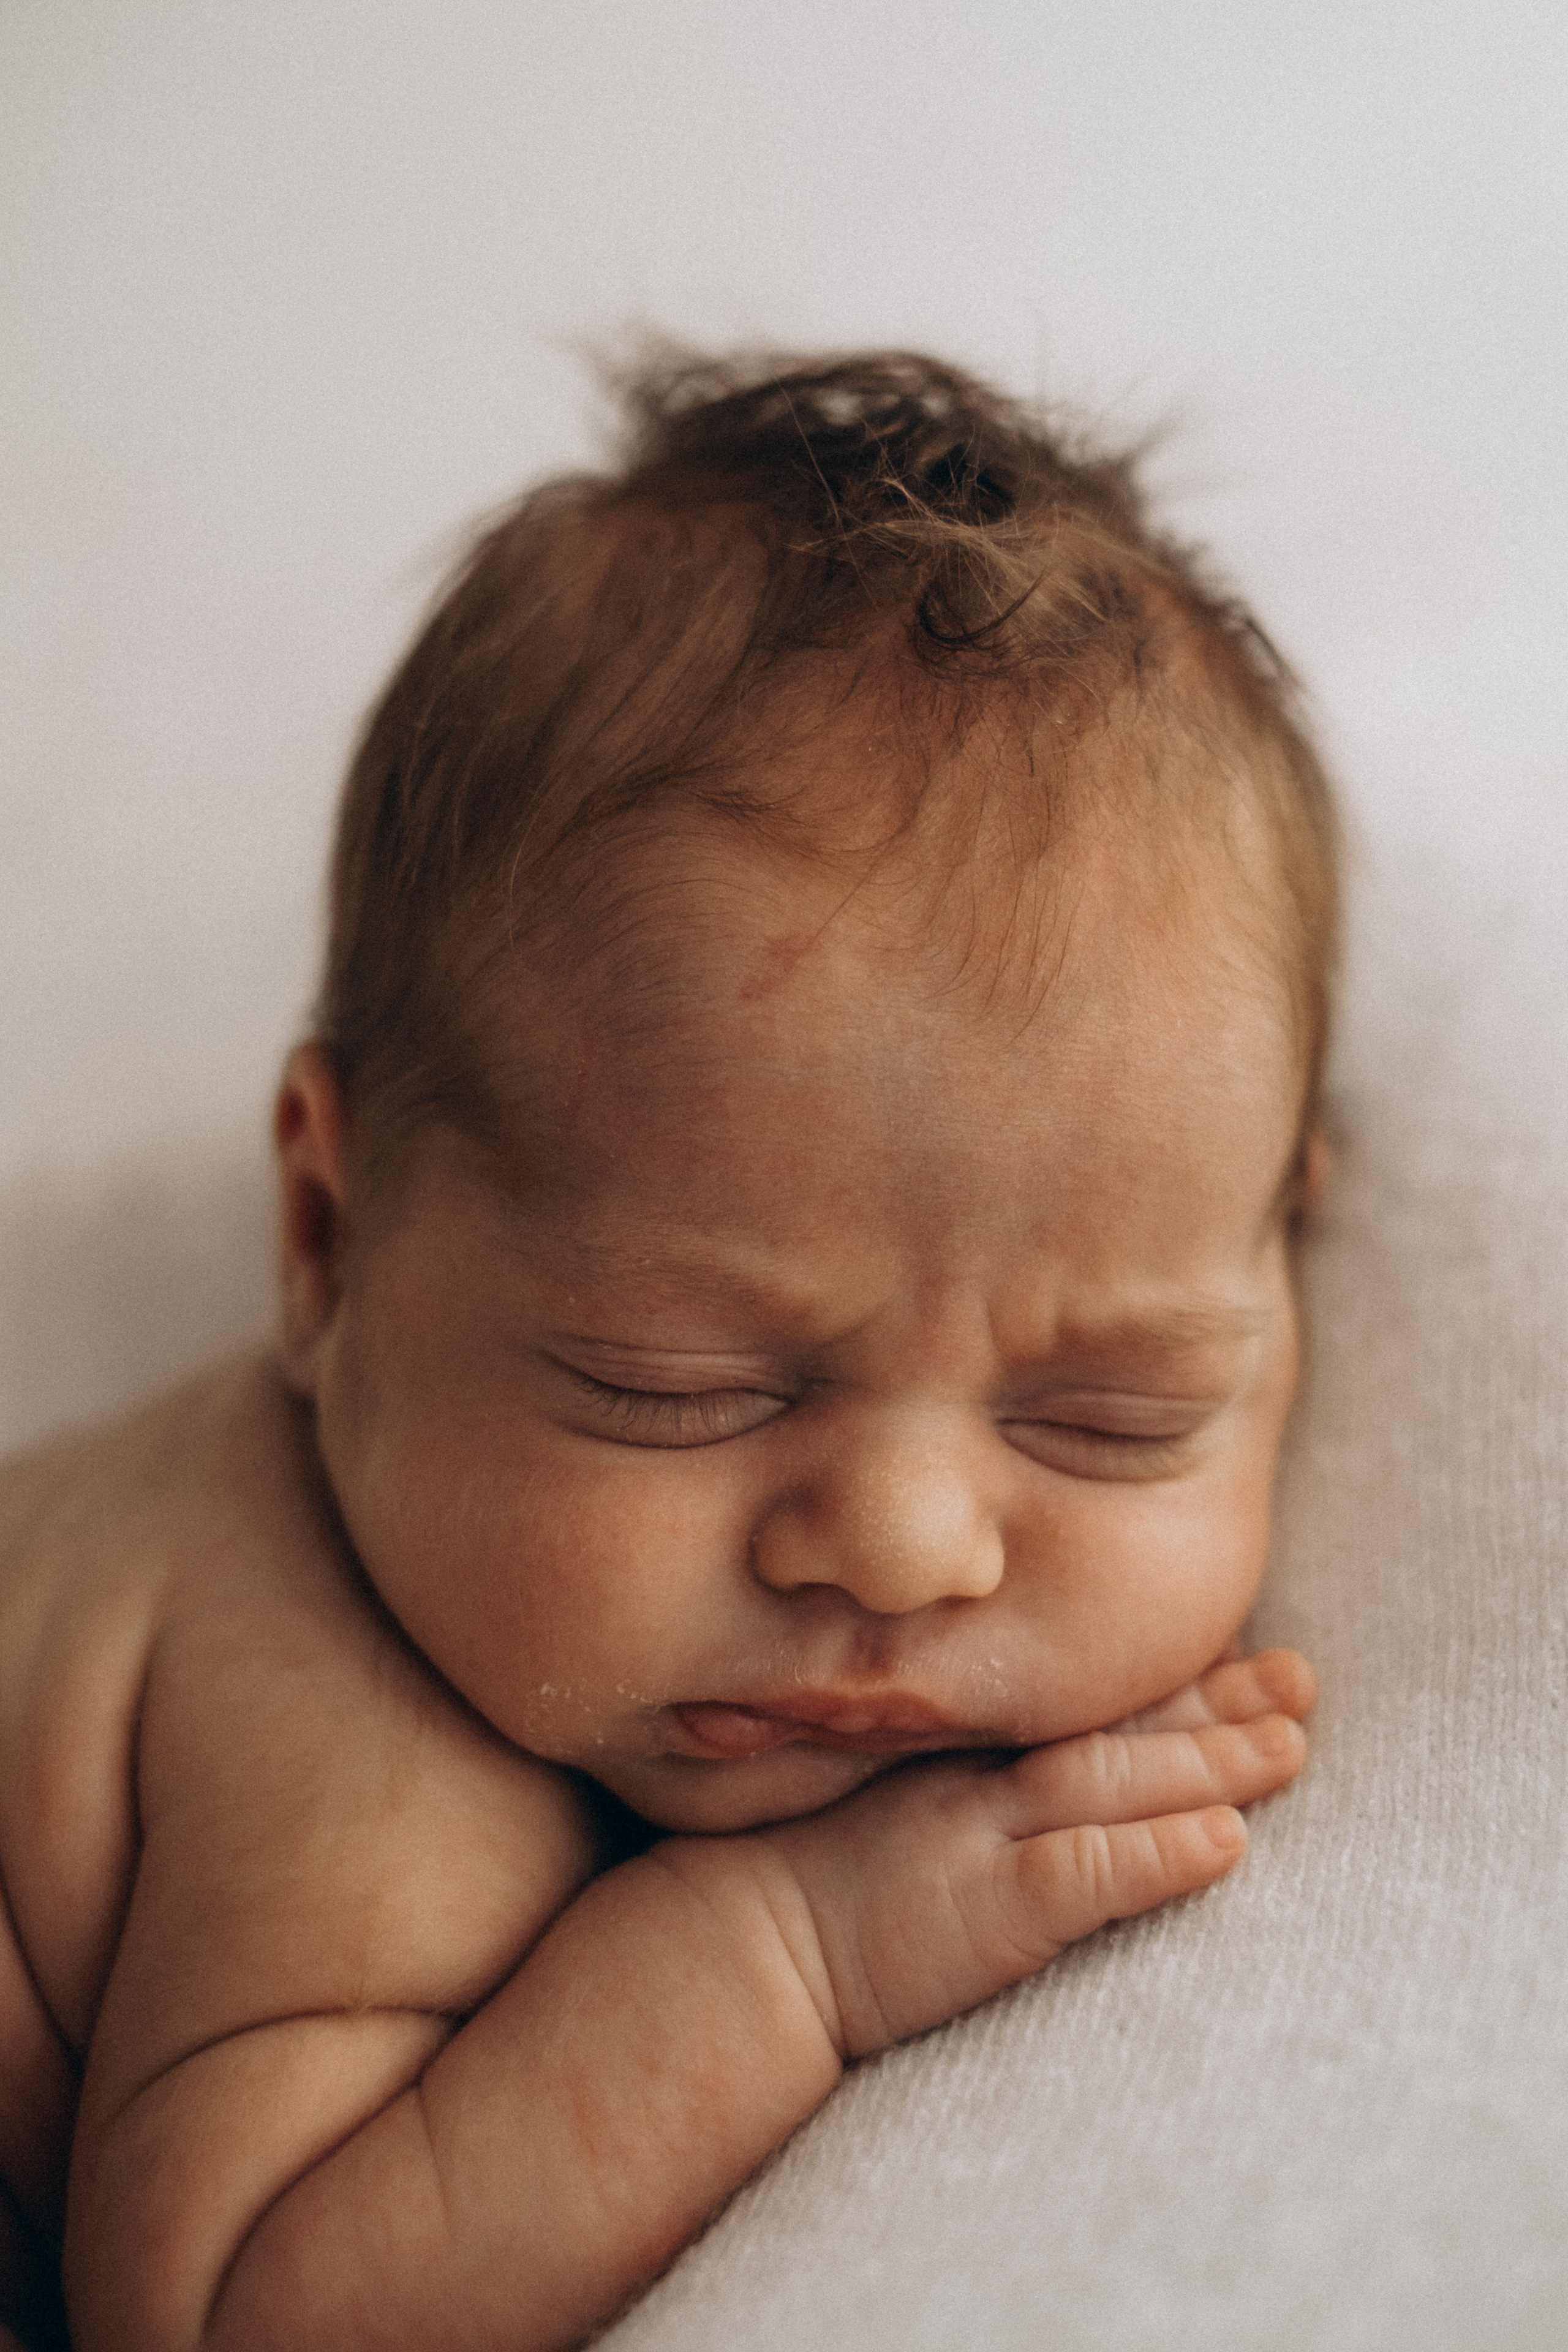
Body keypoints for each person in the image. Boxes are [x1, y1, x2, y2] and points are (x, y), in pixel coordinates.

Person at [0, 351, 1335, 2352]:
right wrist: (788, 1957)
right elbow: (236, 2311)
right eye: (676, 1387)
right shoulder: (348, 1715)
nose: (899, 1548)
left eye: (1105, 1416)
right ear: (326, 1241)